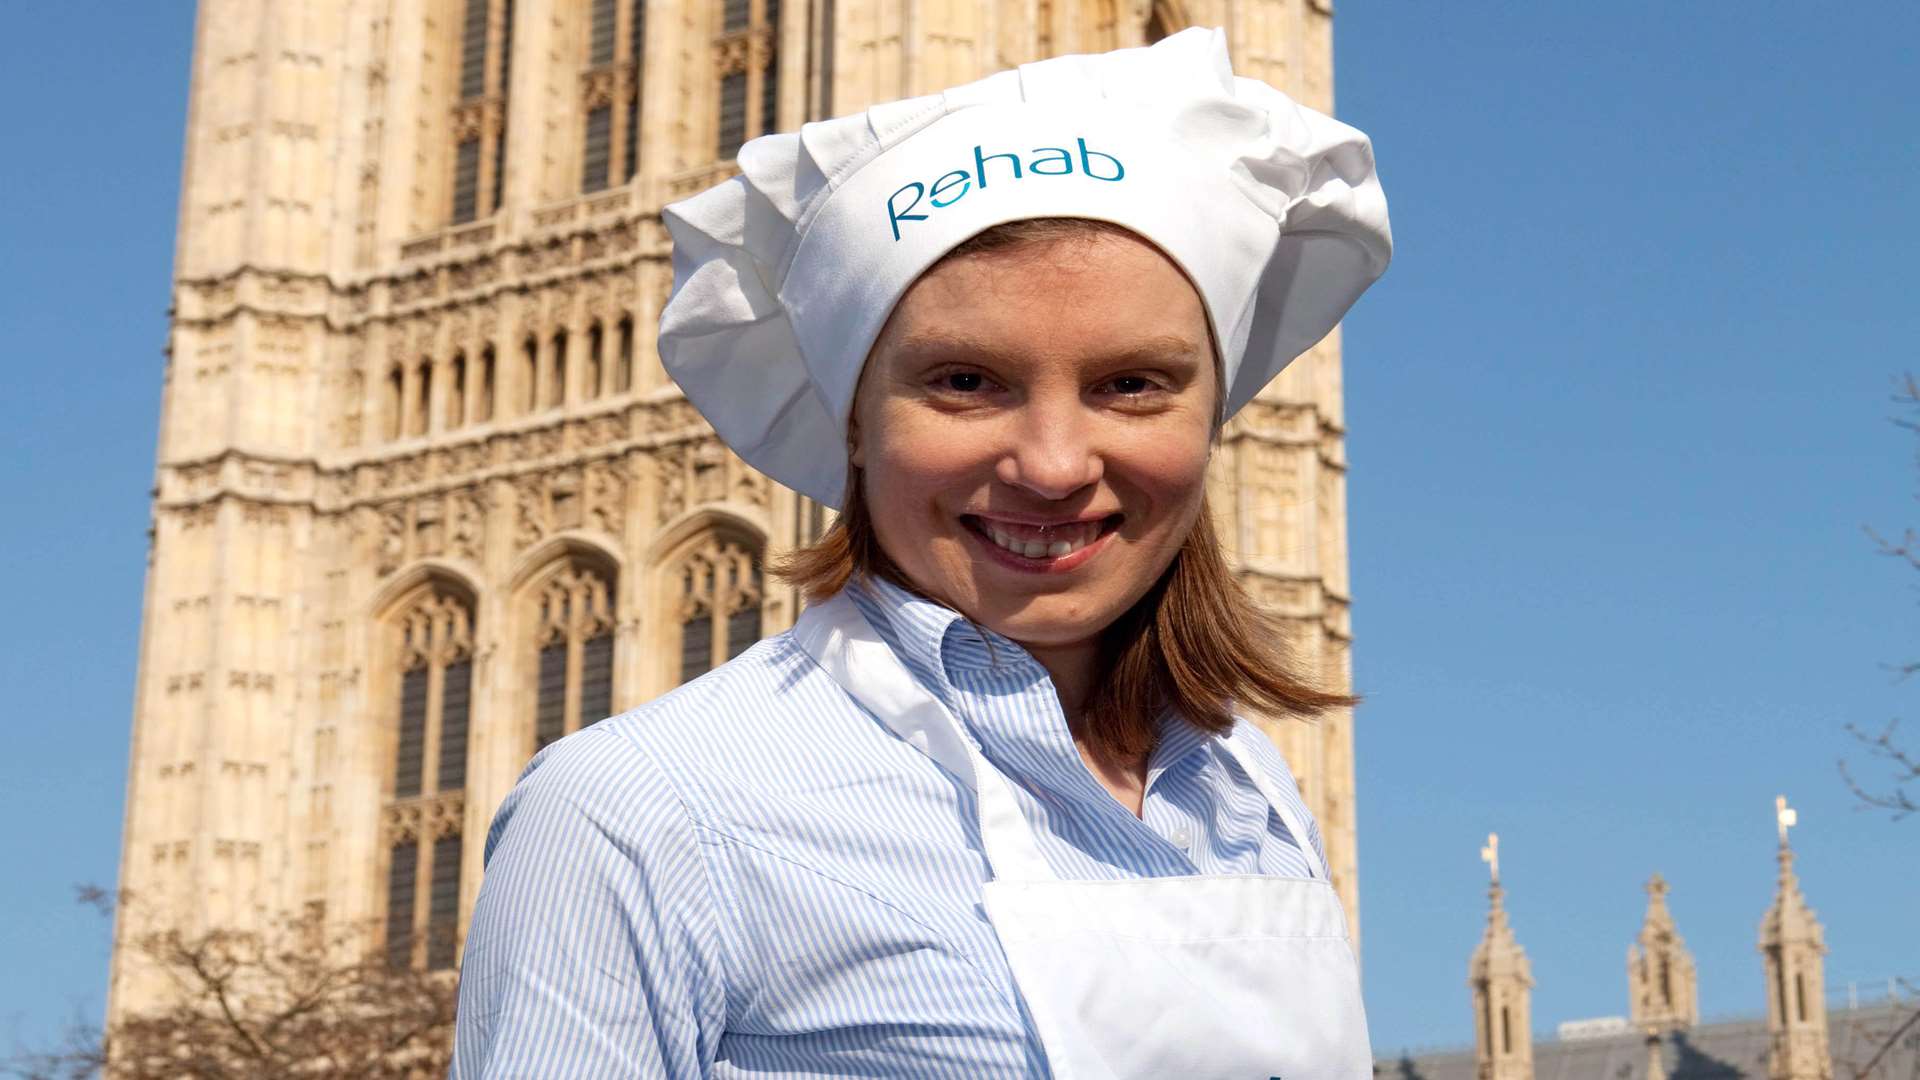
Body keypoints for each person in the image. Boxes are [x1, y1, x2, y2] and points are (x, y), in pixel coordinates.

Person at [451, 26, 1390, 1079]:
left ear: (1215, 416)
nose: (1052, 463)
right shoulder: (640, 812)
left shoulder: (1244, 788)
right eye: (965, 381)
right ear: (852, 417)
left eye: (1131, 384)